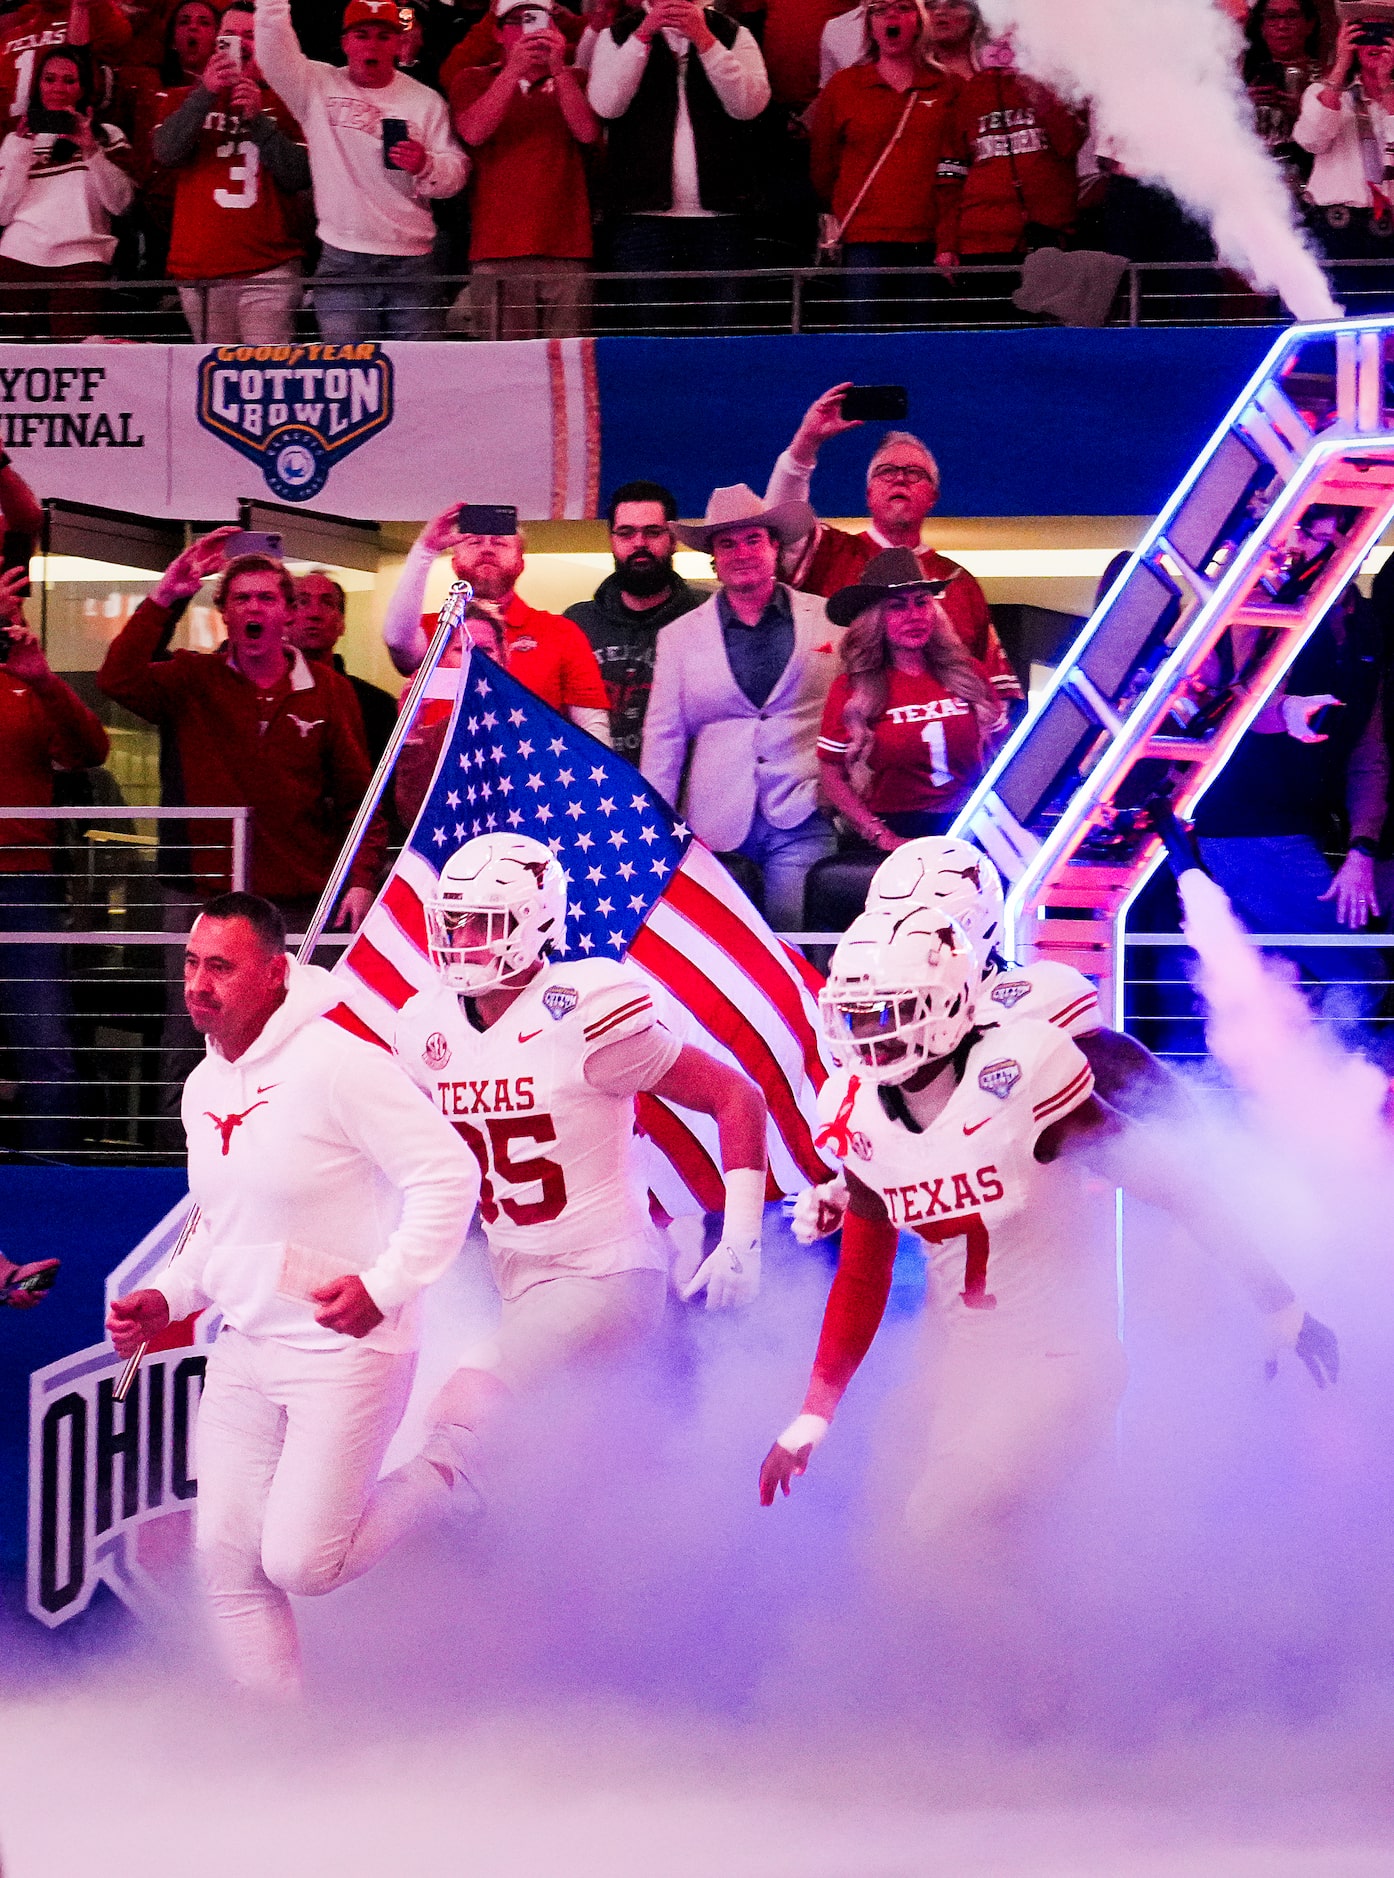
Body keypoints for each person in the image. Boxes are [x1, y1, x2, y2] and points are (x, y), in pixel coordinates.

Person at [759, 911, 1339, 1577]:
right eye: (857, 1017)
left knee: (935, 1523)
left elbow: (1179, 1185)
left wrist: (1279, 1305)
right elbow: (862, 1277)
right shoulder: (859, 1113)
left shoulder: (1022, 1078)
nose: (868, 1037)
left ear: (947, 1005)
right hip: (966, 1368)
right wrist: (812, 1416)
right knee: (926, 1545)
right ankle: (1025, 1676)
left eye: (887, 1013)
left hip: (1062, 1361)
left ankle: (1026, 1678)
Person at [106, 891, 479, 1696]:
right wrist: (164, 1300)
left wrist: (387, 1285)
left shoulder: (341, 1065)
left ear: (276, 974)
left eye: (222, 968)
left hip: (347, 1350)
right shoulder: (203, 1085)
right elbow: (221, 1226)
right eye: (193, 964)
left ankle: (450, 1462)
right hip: (245, 1347)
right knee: (227, 1564)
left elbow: (448, 1173)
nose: (199, 985)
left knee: (301, 1565)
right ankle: (276, 1753)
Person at [383, 832, 768, 1516]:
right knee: (569, 1490)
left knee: (460, 1410)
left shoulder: (581, 1011)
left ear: (534, 923)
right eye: (454, 919)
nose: (462, 938)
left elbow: (736, 1095)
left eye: (483, 922)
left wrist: (742, 1236)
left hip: (606, 1275)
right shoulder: (426, 1026)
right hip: (520, 1278)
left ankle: (345, 1569)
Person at [96, 530, 384, 1143]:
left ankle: (299, 1165)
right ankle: (184, 1192)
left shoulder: (328, 691)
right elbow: (116, 679)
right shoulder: (190, 678)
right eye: (241, 599)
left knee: (305, 1037)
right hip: (205, 895)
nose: (254, 610)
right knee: (192, 1039)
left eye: (266, 599)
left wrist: (361, 879)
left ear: (288, 612)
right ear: (224, 611)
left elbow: (363, 795)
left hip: (300, 900)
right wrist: (165, 596)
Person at [640, 482, 838, 930]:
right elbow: (663, 744)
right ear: (714, 557)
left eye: (753, 539)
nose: (741, 551)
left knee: (798, 944)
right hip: (712, 828)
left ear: (775, 547)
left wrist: (846, 796)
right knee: (727, 954)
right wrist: (652, 833)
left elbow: (856, 715)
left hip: (803, 816)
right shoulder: (678, 637)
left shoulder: (829, 620)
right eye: (727, 543)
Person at [764, 386, 1023, 709]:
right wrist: (805, 444)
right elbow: (778, 525)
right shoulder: (830, 553)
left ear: (933, 497)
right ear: (869, 493)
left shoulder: (959, 581)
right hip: (844, 744)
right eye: (887, 472)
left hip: (940, 753)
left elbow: (997, 696)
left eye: (914, 473)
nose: (900, 479)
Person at [254, 0, 468, 342]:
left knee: (418, 377)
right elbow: (272, 53)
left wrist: (426, 165)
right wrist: (270, 5)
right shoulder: (316, 85)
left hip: (411, 263)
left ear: (399, 44)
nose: (372, 45)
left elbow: (457, 172)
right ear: (345, 43)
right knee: (348, 379)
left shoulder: (426, 101)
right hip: (343, 261)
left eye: (384, 36)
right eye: (362, 35)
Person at [0, 562, 109, 1155]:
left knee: (47, 1055)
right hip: (22, 886)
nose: (6, 615)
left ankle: (51, 1189)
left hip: (22, 886)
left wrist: (42, 679)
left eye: (14, 603)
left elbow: (91, 749)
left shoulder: (28, 682)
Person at [816, 547, 1005, 859]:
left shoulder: (969, 674)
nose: (914, 616)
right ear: (875, 619)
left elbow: (1006, 754)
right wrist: (879, 834)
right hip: (894, 837)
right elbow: (831, 774)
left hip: (970, 828)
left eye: (922, 602)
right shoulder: (854, 688)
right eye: (897, 606)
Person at [586, 0, 771, 310]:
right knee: (653, 336)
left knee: (722, 337)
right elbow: (606, 105)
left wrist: (705, 40)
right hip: (643, 216)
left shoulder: (732, 32)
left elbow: (749, 106)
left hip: (720, 215)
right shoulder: (616, 35)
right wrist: (642, 36)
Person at [151, 0, 311, 346]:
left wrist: (259, 121)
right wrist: (205, 94)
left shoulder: (291, 102)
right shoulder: (180, 98)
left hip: (269, 268)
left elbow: (298, 176)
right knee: (217, 383)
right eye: (230, 35)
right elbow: (166, 153)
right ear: (215, 44)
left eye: (250, 35)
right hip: (198, 270)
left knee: (267, 382)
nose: (241, 44)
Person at [380, 506, 613, 744]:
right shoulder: (436, 630)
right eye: (474, 542)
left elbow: (593, 730)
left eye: (500, 543)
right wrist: (425, 550)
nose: (487, 548)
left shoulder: (561, 634)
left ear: (521, 563)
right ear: (454, 561)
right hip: (446, 775)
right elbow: (397, 640)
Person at [448, 0, 598, 341]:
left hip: (567, 247)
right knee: (507, 370)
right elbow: (474, 132)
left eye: (538, 20)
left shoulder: (577, 78)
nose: (527, 30)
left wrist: (559, 69)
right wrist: (512, 71)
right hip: (497, 248)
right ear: (497, 33)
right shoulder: (472, 79)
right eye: (515, 22)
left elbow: (587, 133)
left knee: (570, 366)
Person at [808, 0, 961, 313]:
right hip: (863, 237)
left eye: (903, 7)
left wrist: (947, 239)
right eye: (880, 9)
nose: (892, 16)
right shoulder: (844, 85)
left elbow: (957, 169)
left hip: (927, 237)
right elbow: (823, 166)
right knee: (863, 341)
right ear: (869, 25)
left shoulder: (949, 87)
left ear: (920, 21)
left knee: (921, 342)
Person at [562, 479, 705, 760]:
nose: (639, 543)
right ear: (611, 540)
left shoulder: (705, 618)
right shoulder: (575, 625)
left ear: (673, 539)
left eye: (653, 532)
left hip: (683, 795)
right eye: (626, 533)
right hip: (593, 792)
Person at [0, 44, 133, 339]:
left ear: (83, 88)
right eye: (49, 79)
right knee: (12, 355)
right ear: (38, 86)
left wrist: (91, 149)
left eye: (69, 80)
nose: (58, 88)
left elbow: (120, 205)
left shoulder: (109, 135)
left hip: (81, 257)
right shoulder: (15, 138)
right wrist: (22, 150)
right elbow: (1, 212)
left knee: (72, 355)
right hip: (17, 254)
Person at [938, 37, 1085, 268]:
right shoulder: (970, 94)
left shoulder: (1063, 85)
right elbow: (950, 177)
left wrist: (1036, 89)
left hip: (1048, 236)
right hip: (980, 240)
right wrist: (947, 244)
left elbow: (1069, 143)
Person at [1293, 15, 1394, 300]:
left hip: (1389, 233)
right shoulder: (1324, 94)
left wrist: (1386, 88)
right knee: (1331, 324)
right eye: (1363, 33)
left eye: (1385, 33)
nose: (1374, 43)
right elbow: (1311, 141)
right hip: (1335, 230)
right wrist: (1340, 67)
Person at [288, 569, 397, 768]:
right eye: (302, 602)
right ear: (285, 618)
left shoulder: (377, 706)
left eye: (327, 603)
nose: (314, 614)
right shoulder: (265, 696)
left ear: (341, 623)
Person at [1241, 0, 1324, 197]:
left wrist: (1307, 114)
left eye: (1291, 16)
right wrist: (1243, 106)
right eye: (1272, 17)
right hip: (1255, 184)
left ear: (1309, 24)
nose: (1282, 25)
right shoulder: (1243, 76)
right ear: (1261, 26)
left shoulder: (1329, 79)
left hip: (1314, 187)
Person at [0, 0, 132, 123]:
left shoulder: (96, 11)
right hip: (11, 138)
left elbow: (122, 41)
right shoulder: (12, 22)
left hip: (70, 134)